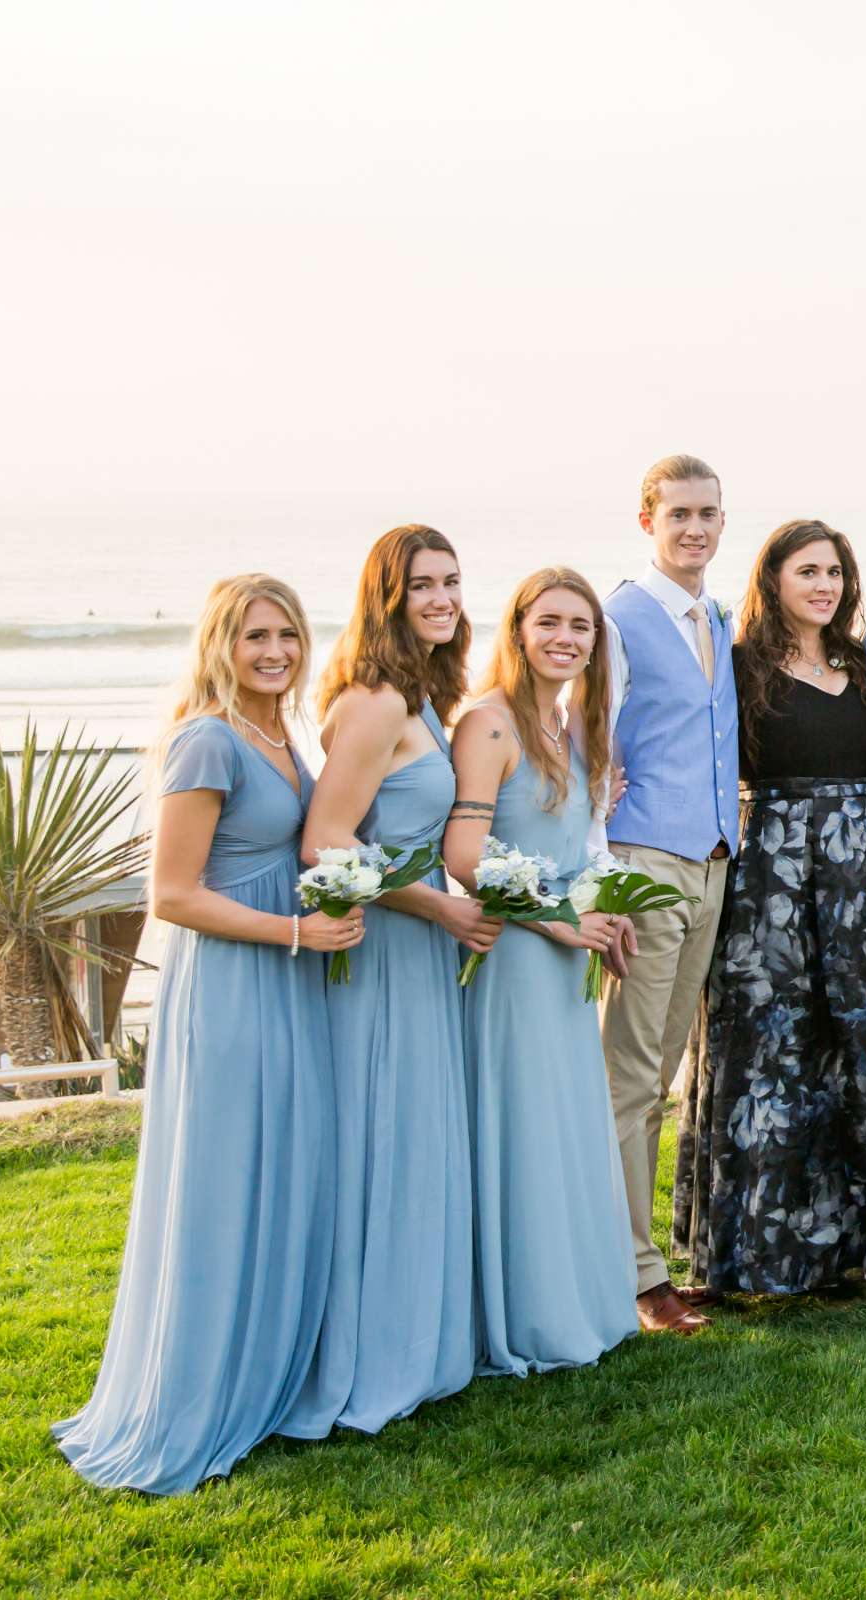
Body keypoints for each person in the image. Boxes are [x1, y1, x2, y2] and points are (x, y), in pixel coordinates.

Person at [54, 575, 362, 1494]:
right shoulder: (206, 740)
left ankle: (265, 1373)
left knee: (284, 1170)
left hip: (289, 981)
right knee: (226, 1179)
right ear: (219, 645)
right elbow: (172, 896)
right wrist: (298, 931)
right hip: (233, 985)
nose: (274, 653)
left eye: (288, 636)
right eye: (254, 637)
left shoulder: (281, 734)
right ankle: (202, 1393)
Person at [674, 521, 866, 1293]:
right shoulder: (738, 668)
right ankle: (757, 1252)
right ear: (774, 582)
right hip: (770, 890)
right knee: (768, 1057)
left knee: (853, 1052)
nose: (824, 585)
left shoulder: (860, 664)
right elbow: (688, 758)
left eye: (834, 572)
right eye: (807, 572)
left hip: (854, 884)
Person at [281, 525, 491, 1438]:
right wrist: (437, 908)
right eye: (422, 587)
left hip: (421, 947)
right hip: (386, 949)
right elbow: (324, 839)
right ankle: (372, 1355)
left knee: (416, 1138)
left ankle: (423, 1340)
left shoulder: (424, 696)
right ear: (387, 598)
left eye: (450, 582)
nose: (441, 598)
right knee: (384, 1142)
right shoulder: (373, 701)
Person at [447, 568, 639, 1374]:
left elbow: (571, 847)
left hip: (564, 960)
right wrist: (561, 922)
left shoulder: (569, 726)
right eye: (551, 622)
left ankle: (573, 1299)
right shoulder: (488, 724)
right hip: (516, 959)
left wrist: (606, 901)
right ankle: (522, 1314)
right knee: (522, 1129)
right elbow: (463, 857)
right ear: (518, 628)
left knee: (562, 1126)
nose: (567, 638)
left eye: (582, 627)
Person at [597, 454, 741, 1336]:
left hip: (714, 860)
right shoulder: (619, 618)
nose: (695, 528)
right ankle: (632, 1269)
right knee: (631, 1073)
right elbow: (586, 737)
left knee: (666, 1075)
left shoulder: (714, 616)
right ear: (647, 518)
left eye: (709, 514)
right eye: (679, 513)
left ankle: (641, 1255)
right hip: (647, 859)